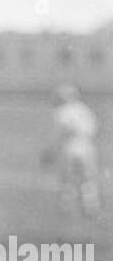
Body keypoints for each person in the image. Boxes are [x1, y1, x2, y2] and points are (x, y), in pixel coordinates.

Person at [44, 85, 101, 217]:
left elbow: (60, 133)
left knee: (67, 180)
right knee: (88, 179)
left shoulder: (61, 111)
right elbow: (94, 129)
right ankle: (91, 208)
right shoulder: (85, 110)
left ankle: (67, 208)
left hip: (69, 147)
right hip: (87, 145)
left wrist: (51, 151)